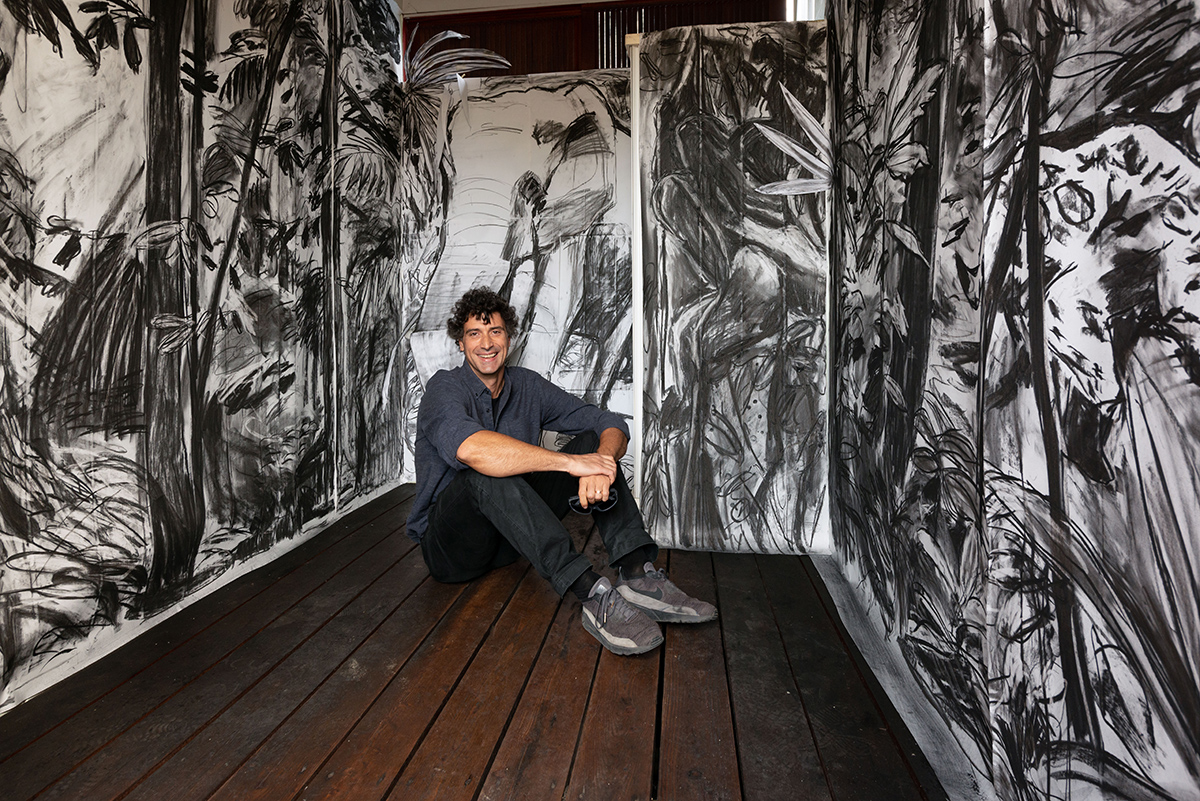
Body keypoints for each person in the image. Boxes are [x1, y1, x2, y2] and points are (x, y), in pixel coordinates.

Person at [406, 286, 716, 655]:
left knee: (592, 442)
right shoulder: (443, 388)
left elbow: (608, 422)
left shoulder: (526, 385)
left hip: (510, 541)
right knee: (483, 472)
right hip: (452, 551)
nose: (486, 343)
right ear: (461, 343)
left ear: (509, 337)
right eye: (474, 333)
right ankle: (591, 592)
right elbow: (472, 450)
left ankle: (637, 573)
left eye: (495, 331)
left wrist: (600, 462)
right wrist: (572, 463)